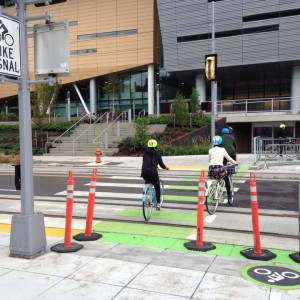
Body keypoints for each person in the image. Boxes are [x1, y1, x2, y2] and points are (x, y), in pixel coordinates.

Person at [141, 139, 169, 210]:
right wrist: (166, 168)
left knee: (147, 183)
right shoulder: (157, 154)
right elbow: (162, 165)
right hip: (153, 174)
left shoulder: (144, 154)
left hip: (145, 174)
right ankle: (158, 204)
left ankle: (146, 199)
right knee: (157, 187)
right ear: (155, 146)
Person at [208, 136, 237, 201]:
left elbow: (209, 160)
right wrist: (235, 163)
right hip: (219, 168)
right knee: (226, 179)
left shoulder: (210, 150)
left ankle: (212, 192)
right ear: (221, 143)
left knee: (215, 178)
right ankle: (229, 194)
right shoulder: (222, 150)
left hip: (211, 169)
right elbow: (228, 158)